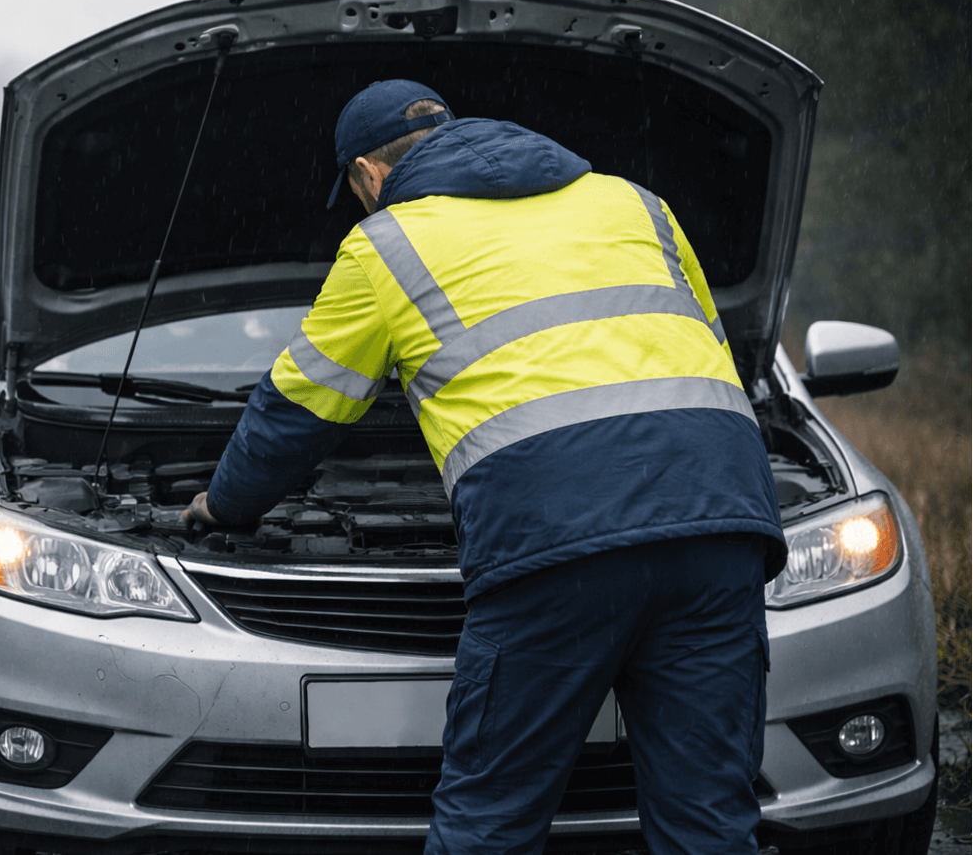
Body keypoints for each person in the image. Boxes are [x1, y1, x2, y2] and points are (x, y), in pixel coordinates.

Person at [184, 80, 788, 855]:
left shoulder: (387, 242)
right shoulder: (636, 203)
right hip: (719, 524)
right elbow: (703, 347)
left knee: (490, 824)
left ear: (368, 174)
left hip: (558, 544)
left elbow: (296, 409)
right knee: (710, 824)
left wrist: (222, 507)